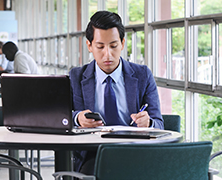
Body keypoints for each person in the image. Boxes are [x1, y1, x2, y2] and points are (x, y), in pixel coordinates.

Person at [70, 11, 164, 174]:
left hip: (135, 153)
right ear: (89, 46)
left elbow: (159, 123)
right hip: (93, 155)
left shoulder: (142, 75)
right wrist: (78, 118)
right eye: (100, 47)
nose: (108, 54)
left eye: (113, 46)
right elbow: (62, 118)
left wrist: (148, 123)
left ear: (122, 43)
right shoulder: (76, 77)